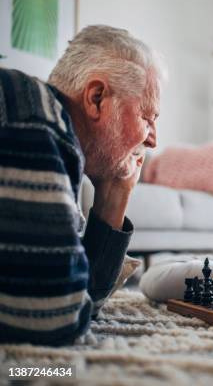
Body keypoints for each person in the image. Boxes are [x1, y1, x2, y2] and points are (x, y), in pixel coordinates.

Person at [0, 25, 162, 345]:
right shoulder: (36, 126)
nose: (153, 140)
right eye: (147, 117)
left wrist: (116, 195)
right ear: (97, 98)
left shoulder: (50, 127)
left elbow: (77, 301)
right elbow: (52, 319)